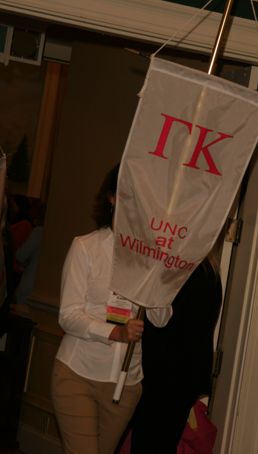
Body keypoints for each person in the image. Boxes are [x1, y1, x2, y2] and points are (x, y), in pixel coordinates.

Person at [51, 164, 172, 454]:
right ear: (112, 198)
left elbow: (162, 317)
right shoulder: (85, 248)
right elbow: (68, 315)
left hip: (125, 384)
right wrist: (115, 332)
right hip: (77, 374)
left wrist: (157, 279)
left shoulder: (151, 256)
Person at [127, 251, 222, 454]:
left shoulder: (180, 269)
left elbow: (165, 326)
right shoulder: (209, 270)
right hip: (182, 378)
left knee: (147, 444)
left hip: (162, 376)